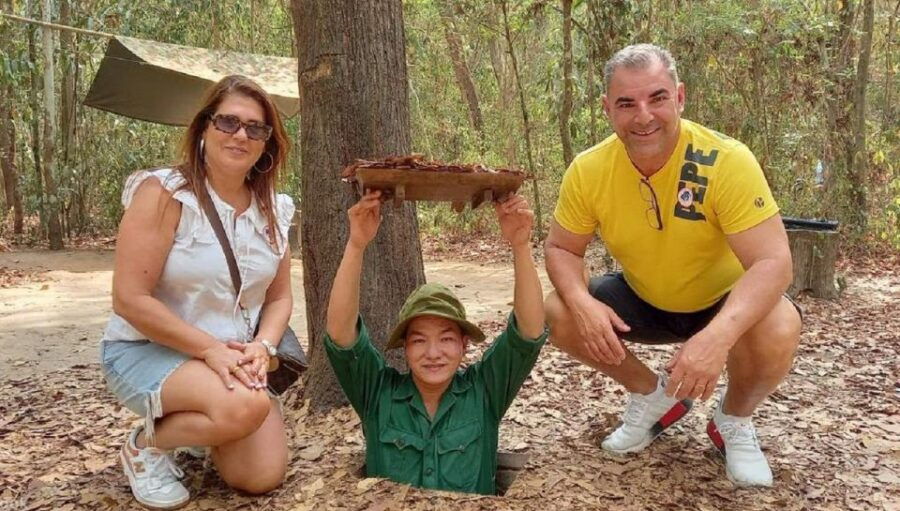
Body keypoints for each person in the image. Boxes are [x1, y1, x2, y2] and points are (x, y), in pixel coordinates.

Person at [544, 44, 802, 487]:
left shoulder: (726, 160)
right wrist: (581, 303)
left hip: (721, 303)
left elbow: (773, 262)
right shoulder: (588, 170)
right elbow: (562, 248)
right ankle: (653, 396)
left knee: (780, 322)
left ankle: (733, 420)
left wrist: (718, 338)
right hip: (644, 297)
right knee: (557, 310)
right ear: (608, 109)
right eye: (627, 103)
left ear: (679, 97)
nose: (643, 116)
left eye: (657, 98)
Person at [100, 75, 295, 508]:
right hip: (146, 350)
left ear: (267, 143)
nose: (241, 134)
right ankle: (146, 445)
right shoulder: (164, 194)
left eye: (255, 128)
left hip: (231, 357)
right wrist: (210, 350)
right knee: (244, 408)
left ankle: (205, 425)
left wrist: (263, 345)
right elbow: (129, 299)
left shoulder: (275, 210)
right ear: (204, 127)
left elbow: (280, 298)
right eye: (228, 122)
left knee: (260, 477)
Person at [324, 191, 546, 495]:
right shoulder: (378, 394)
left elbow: (529, 333)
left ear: (464, 345)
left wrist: (521, 246)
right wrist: (356, 244)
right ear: (404, 347)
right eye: (418, 340)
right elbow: (340, 335)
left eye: (446, 339)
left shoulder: (485, 391)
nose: (433, 353)